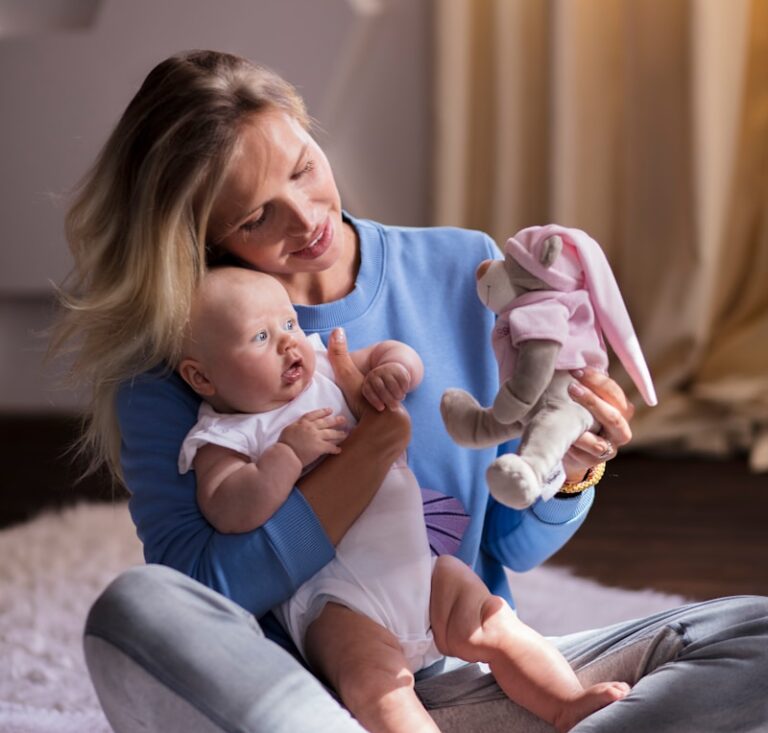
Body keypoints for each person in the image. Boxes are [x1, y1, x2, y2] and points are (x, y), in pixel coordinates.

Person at [52, 49, 768, 732]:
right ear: (199, 237)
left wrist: (569, 467)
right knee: (133, 608)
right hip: (294, 700)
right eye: (255, 216)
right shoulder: (185, 358)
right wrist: (371, 450)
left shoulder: (468, 268)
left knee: (755, 635)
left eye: (304, 169)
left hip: (471, 669)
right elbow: (206, 595)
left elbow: (508, 547)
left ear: (310, 130)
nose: (305, 219)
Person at [175, 266, 630, 732]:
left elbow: (396, 354)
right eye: (260, 337)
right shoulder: (222, 437)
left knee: (495, 620)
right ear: (203, 378)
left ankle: (566, 704)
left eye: (289, 323)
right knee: (374, 684)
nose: (290, 342)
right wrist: (288, 453)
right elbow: (229, 508)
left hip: (423, 572)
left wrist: (394, 370)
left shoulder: (325, 360)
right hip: (337, 603)